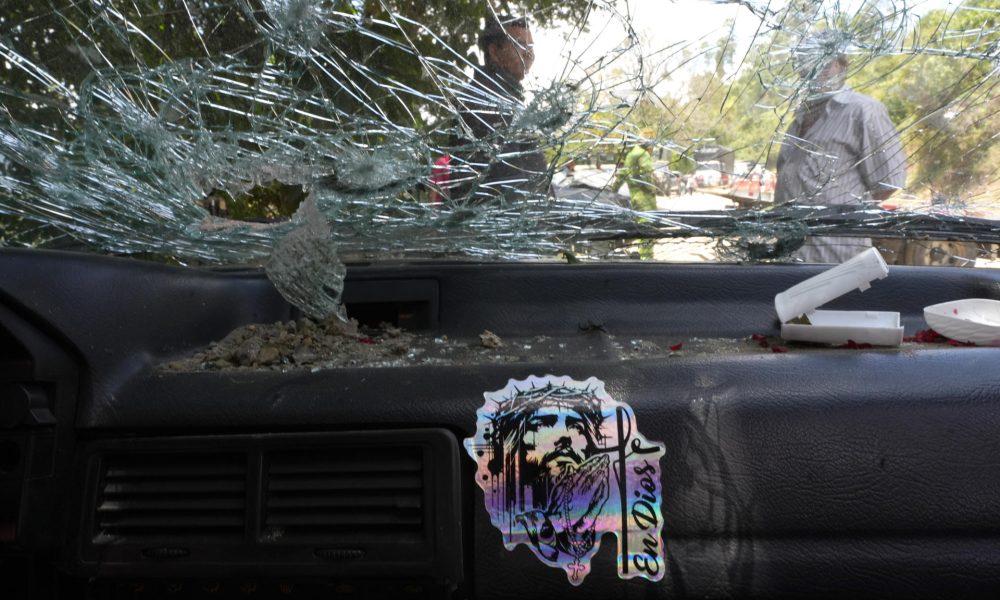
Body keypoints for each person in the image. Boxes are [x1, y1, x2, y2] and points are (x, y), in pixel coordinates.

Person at [775, 30, 907, 262]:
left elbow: (888, 181)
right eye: (808, 63)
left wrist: (838, 218)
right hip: (789, 260)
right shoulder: (797, 120)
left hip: (838, 263)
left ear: (843, 65)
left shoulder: (863, 111)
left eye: (825, 62)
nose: (816, 71)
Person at [450, 15, 549, 203]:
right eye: (520, 44)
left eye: (531, 47)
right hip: (499, 225)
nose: (529, 54)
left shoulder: (503, 98)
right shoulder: (485, 103)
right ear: (494, 52)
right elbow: (508, 186)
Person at [612, 129, 658, 211]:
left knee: (639, 221)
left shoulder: (631, 154)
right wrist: (652, 189)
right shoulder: (643, 154)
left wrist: (613, 189)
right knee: (648, 221)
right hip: (646, 200)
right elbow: (646, 173)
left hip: (635, 199)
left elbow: (622, 174)